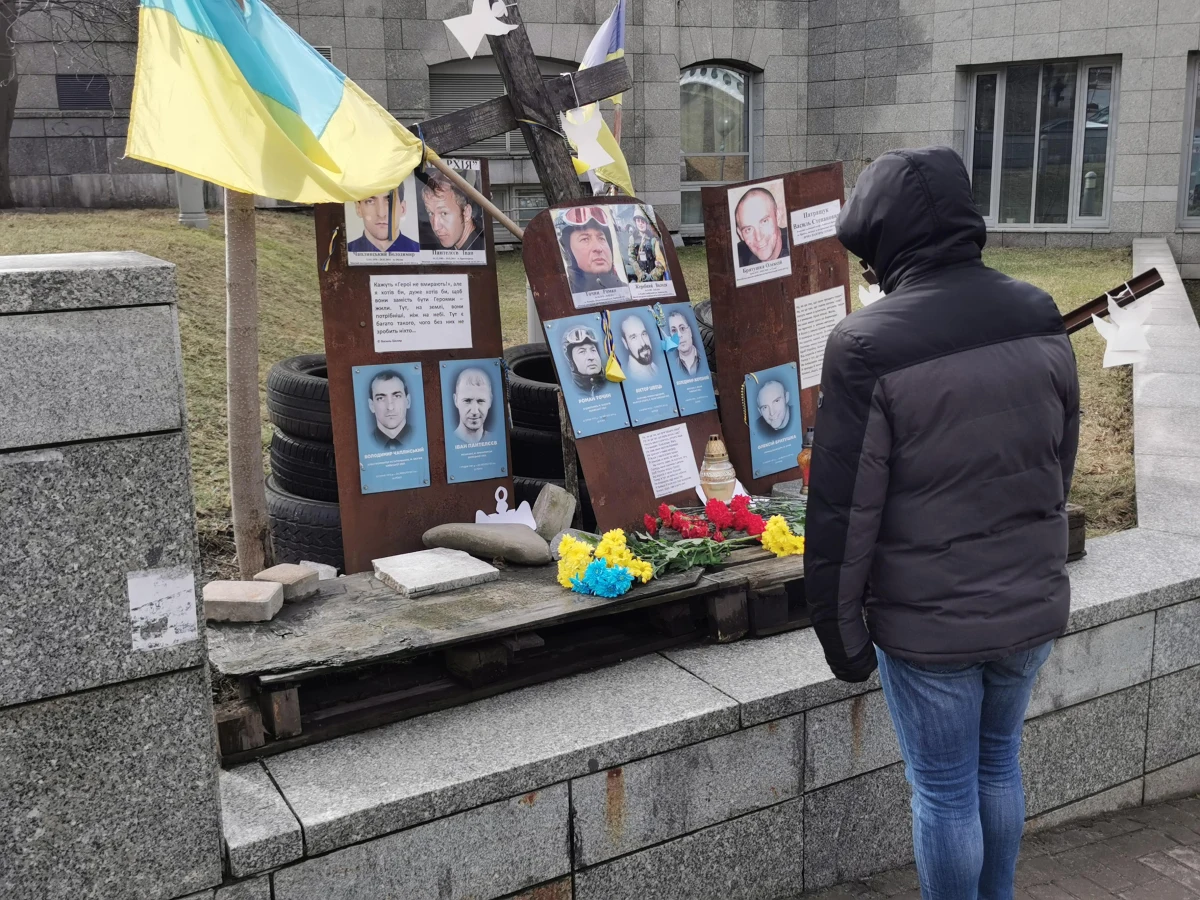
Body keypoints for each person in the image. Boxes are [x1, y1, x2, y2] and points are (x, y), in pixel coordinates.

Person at [804, 146, 1080, 900]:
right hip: (1028, 604)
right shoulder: (1038, 311)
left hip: (929, 625)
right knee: (998, 765)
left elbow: (840, 512)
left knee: (946, 792)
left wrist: (841, 635)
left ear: (886, 243)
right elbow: (1060, 463)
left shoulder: (865, 345)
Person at [558, 206, 627, 294]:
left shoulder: (630, 293)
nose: (598, 248)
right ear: (568, 251)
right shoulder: (562, 298)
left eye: (601, 238)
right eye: (585, 239)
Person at [346, 184, 420, 254]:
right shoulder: (346, 251)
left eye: (389, 200)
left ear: (402, 208)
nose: (381, 214)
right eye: (370, 201)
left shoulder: (418, 250)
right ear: (358, 209)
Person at [421, 173, 485, 252]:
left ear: (467, 213)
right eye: (430, 213)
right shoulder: (473, 248)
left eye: (444, 213)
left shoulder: (481, 253)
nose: (435, 227)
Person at [734, 187, 788, 266]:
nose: (758, 238)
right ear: (741, 234)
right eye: (748, 229)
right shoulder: (735, 259)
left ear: (778, 216)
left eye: (764, 221)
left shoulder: (799, 245)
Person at [364, 369, 413, 449]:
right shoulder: (365, 444)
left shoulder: (422, 436)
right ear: (371, 405)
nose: (390, 407)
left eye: (397, 396)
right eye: (380, 398)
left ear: (408, 401)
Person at [451, 367, 493, 444]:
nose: (474, 411)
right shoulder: (448, 441)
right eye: (467, 401)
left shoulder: (496, 440)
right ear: (455, 400)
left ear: (490, 401)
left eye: (480, 401)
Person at [563, 326, 607, 397]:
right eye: (582, 351)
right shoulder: (569, 395)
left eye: (593, 350)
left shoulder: (614, 385)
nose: (591, 357)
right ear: (571, 361)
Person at [627, 210, 667, 282]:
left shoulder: (653, 239)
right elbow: (632, 258)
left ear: (646, 223)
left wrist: (652, 276)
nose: (641, 224)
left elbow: (661, 260)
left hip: (654, 277)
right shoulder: (632, 238)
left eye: (643, 221)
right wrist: (640, 274)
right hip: (640, 277)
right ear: (635, 222)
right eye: (638, 221)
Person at [619, 313, 658, 381]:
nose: (643, 343)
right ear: (625, 343)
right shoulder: (634, 376)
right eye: (633, 337)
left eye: (643, 334)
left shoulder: (654, 367)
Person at [668, 310, 702, 376]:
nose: (679, 335)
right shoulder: (672, 368)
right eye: (674, 330)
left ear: (690, 331)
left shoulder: (705, 361)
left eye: (682, 328)